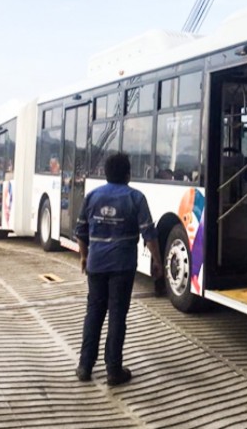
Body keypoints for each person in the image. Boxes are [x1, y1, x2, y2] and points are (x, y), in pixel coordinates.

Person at [75, 152, 163, 386]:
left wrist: (84, 257)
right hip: (122, 267)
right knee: (117, 315)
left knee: (94, 312)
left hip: (96, 264)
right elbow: (149, 234)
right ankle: (114, 370)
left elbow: (80, 231)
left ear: (105, 173)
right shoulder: (136, 198)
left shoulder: (92, 196)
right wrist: (157, 261)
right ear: (128, 174)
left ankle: (84, 366)